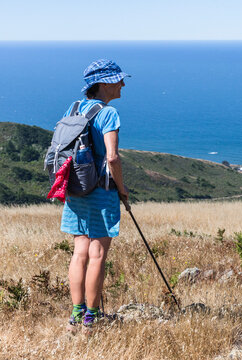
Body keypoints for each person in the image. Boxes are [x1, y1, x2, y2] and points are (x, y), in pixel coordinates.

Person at [62, 59, 130, 327]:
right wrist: (122, 189)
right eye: (118, 79)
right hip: (101, 191)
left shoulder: (75, 107)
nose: (122, 84)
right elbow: (112, 158)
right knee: (98, 254)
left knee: (80, 251)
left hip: (76, 188)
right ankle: (92, 316)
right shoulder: (109, 113)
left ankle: (76, 313)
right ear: (103, 83)